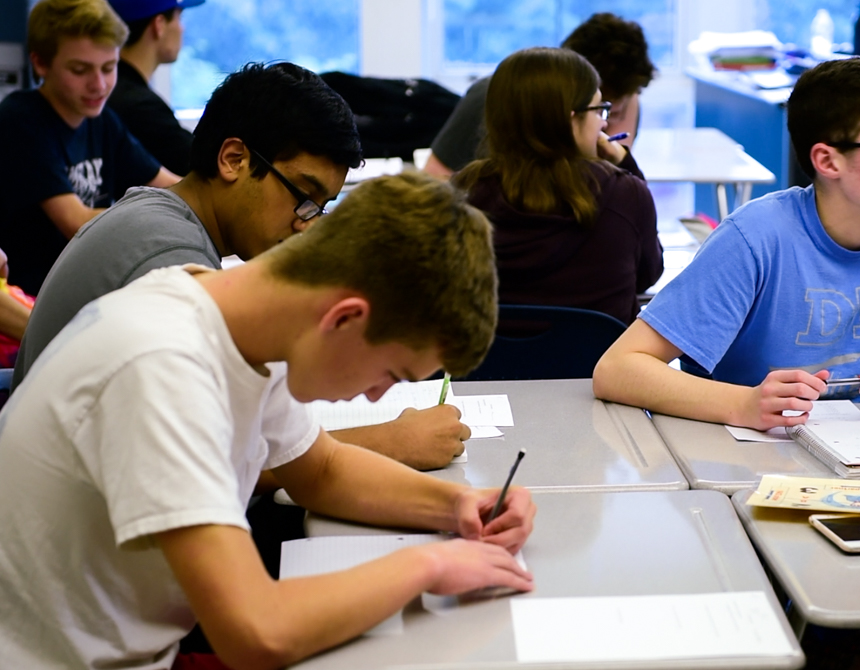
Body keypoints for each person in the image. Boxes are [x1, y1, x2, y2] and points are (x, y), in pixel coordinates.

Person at [0, 171, 536, 670]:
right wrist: (429, 567)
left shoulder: (239, 321)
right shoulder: (161, 366)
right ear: (345, 318)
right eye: (391, 375)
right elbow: (256, 632)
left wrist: (461, 505)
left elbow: (320, 470)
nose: (377, 397)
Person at [12, 61, 470, 471]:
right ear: (234, 159)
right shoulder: (168, 260)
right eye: (303, 198)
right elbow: (213, 466)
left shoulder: (163, 221)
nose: (306, 225)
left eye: (321, 207)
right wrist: (391, 441)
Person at [593, 57, 860, 430]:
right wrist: (743, 403)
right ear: (827, 160)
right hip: (749, 458)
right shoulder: (755, 237)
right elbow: (618, 369)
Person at [453, 47, 662, 324]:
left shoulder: (465, 195)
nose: (605, 122)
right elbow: (647, 275)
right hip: (596, 365)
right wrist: (627, 167)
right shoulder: (625, 195)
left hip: (492, 366)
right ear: (571, 119)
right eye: (599, 109)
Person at [0, 0, 181, 296]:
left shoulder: (102, 120)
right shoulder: (20, 120)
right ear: (40, 63)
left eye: (109, 68)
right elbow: (77, 222)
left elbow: (172, 185)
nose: (99, 85)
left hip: (85, 292)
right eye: (80, 70)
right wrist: (160, 214)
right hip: (34, 301)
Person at [424, 12, 656, 179]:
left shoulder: (627, 97)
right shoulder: (491, 97)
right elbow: (435, 179)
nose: (605, 127)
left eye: (614, 112)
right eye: (598, 109)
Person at [106, 0, 205, 176]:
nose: (182, 28)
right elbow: (205, 167)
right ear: (159, 25)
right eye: (178, 17)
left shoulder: (114, 90)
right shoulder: (140, 107)